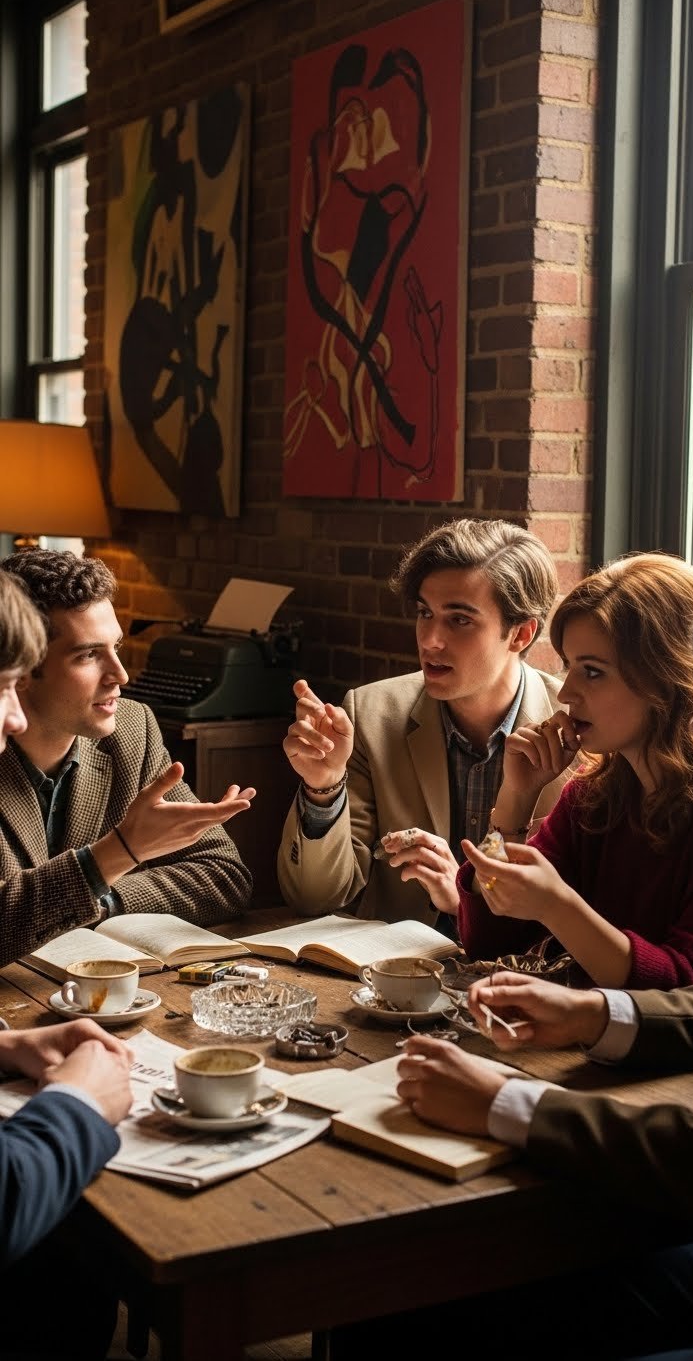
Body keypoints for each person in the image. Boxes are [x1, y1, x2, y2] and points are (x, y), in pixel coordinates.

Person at [392, 575, 693, 1360]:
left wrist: (508, 1102)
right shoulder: (600, 789)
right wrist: (594, 1013)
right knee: (415, 1297)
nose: (565, 693)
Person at [457, 553, 693, 987]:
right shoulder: (595, 796)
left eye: (593, 672)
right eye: (568, 666)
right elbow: (488, 939)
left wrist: (558, 907)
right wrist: (513, 805)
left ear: (664, 678)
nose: (566, 692)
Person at [278, 518, 570, 927]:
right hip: (396, 979)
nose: (430, 640)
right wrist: (323, 787)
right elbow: (315, 899)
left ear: (520, 635)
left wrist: (468, 894)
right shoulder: (371, 713)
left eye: (459, 619)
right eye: (424, 613)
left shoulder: (577, 730)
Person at [0, 549, 255, 969]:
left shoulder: (132, 729)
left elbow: (223, 876)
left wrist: (100, 898)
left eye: (116, 647)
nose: (121, 674)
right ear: (23, 666)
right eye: (87, 655)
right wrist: (119, 852)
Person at [0, 567, 133, 1360]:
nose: (11, 717)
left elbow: (223, 872)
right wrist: (79, 1105)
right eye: (5, 683)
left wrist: (6, 1048)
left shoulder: (135, 732)